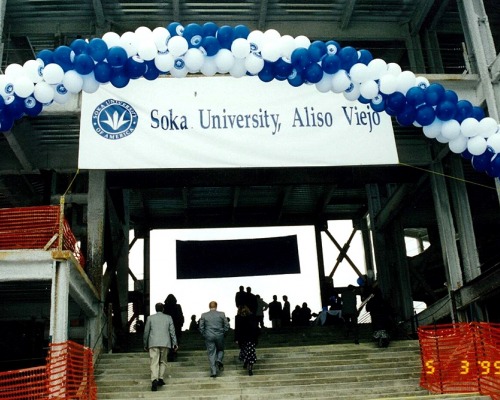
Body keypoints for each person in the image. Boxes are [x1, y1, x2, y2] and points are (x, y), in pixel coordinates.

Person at [143, 302, 178, 392]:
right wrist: (175, 343)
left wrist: (145, 343)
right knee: (163, 361)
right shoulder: (168, 318)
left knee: (154, 362)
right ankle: (161, 378)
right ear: (163, 309)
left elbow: (146, 332)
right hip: (165, 343)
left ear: (155, 309)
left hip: (153, 343)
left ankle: (154, 379)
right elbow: (172, 331)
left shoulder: (150, 318)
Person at [199, 300, 230, 378]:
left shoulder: (204, 315)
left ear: (209, 307)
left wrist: (204, 334)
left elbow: (201, 327)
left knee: (211, 353)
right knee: (220, 350)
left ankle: (213, 371)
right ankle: (219, 360)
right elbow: (227, 325)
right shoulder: (222, 314)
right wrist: (224, 333)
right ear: (216, 306)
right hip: (220, 335)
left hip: (209, 336)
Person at [234, 305, 260, 376]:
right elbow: (256, 328)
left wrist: (236, 339)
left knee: (245, 351)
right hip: (251, 338)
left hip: (243, 339)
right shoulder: (252, 317)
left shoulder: (238, 318)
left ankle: (245, 362)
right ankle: (250, 368)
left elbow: (237, 329)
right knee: (251, 353)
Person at [163, 294, 184, 361]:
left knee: (168, 341)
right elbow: (181, 316)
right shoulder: (178, 306)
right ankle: (174, 352)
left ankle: (169, 353)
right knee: (175, 340)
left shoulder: (165, 307)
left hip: (167, 327)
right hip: (176, 326)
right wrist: (181, 324)